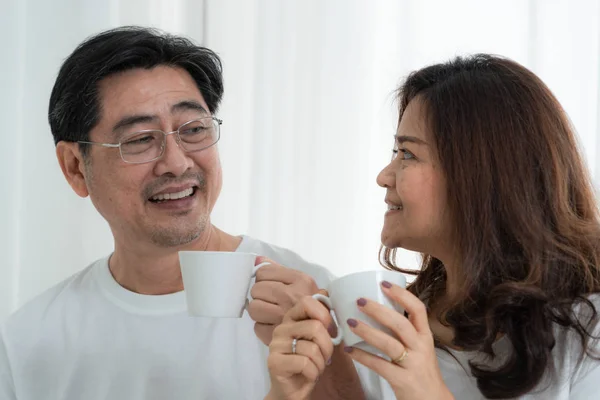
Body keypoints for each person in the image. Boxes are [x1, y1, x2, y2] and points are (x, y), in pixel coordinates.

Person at [0, 26, 371, 400]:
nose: (176, 163)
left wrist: (327, 366)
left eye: (194, 129)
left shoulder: (314, 299)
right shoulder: (27, 341)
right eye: (141, 138)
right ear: (75, 168)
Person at [267, 54, 600, 399]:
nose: (384, 176)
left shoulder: (589, 331)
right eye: (395, 152)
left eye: (407, 154)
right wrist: (324, 376)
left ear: (479, 176)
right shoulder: (396, 320)